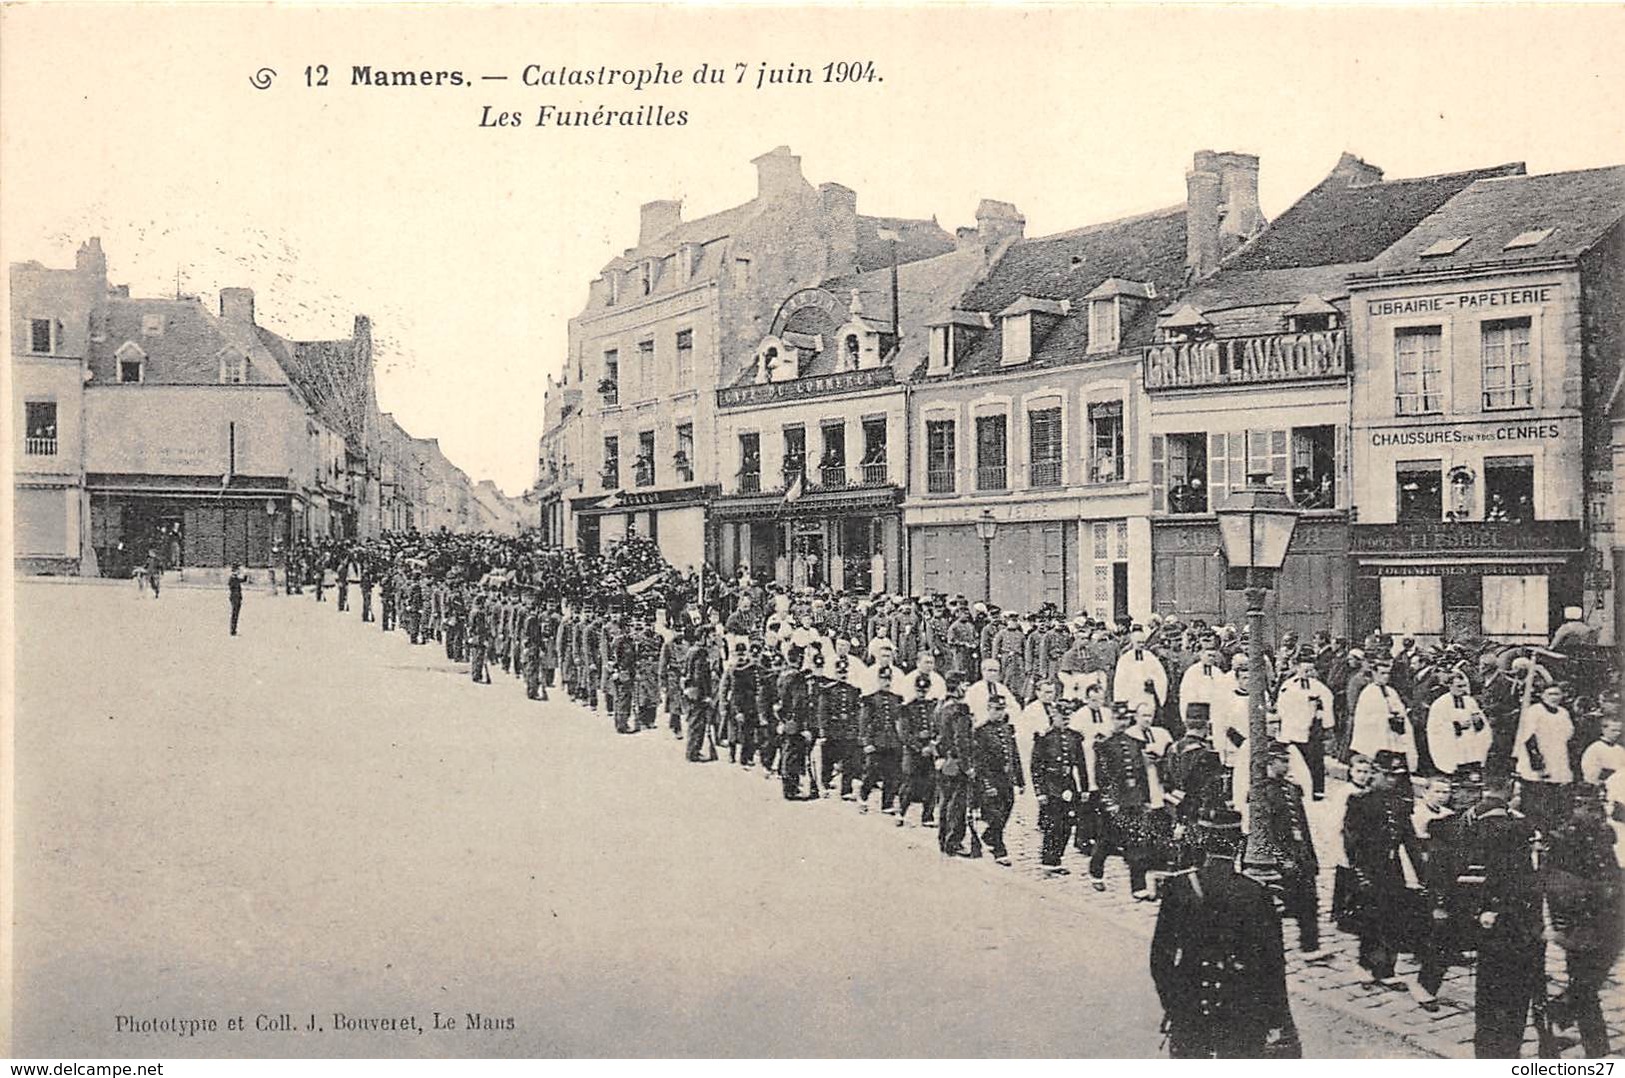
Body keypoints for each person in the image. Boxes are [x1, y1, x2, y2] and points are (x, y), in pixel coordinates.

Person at [1150, 806, 1298, 1058]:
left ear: (1202, 843)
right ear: (1239, 845)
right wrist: (1278, 1019)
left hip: (1192, 1008)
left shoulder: (1179, 887)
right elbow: (1272, 966)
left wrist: (1174, 1006)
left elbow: (1160, 960)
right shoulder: (1257, 893)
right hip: (1243, 1012)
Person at [1462, 771, 1544, 1058]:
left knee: (1488, 994)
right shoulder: (1515, 830)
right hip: (1515, 925)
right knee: (1512, 997)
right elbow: (1519, 881)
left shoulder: (1469, 818)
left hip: (1489, 922)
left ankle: (1487, 1053)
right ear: (1510, 791)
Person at [1255, 741, 1324, 959]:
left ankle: (1310, 946)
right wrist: (1278, 858)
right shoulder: (1263, 792)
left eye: (1287, 761)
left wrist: (1310, 856)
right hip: (1280, 858)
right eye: (1282, 761)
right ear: (1270, 763)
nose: (1286, 766)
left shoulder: (1292, 789)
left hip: (1299, 853)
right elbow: (1264, 833)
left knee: (1310, 899)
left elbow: (1302, 826)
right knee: (1276, 907)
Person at [1092, 705, 1154, 898]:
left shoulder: (1135, 743)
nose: (1123, 723)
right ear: (1112, 719)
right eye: (1119, 719)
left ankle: (1138, 887)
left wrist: (1146, 799)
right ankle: (1096, 872)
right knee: (1106, 841)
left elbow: (1142, 774)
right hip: (1115, 801)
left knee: (1137, 842)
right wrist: (1109, 802)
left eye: (1126, 719)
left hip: (1133, 799)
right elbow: (1102, 777)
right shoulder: (1104, 744)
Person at [1029, 687, 1086, 874]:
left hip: (1068, 784)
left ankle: (1058, 858)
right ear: (1054, 717)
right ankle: (1048, 860)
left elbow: (1081, 764)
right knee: (1053, 824)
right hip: (1051, 784)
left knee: (1067, 824)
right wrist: (1040, 792)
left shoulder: (1074, 737)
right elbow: (1036, 767)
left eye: (1068, 718)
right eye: (1063, 718)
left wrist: (1083, 788)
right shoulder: (1044, 738)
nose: (1065, 721)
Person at [1515, 683, 1575, 834]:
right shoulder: (1535, 711)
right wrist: (1538, 765)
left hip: (1558, 760)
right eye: (1550, 694)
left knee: (1553, 802)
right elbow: (1529, 738)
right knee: (1536, 802)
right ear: (1542, 695)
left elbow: (1568, 736)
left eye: (1557, 694)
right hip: (1538, 764)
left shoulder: (1563, 713)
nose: (1554, 698)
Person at [1275, 647, 1335, 799]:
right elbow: (1282, 708)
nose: (1308, 673)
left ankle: (1317, 791)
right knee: (1296, 763)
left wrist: (1325, 722)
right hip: (1293, 730)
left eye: (1310, 669)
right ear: (1297, 666)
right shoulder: (1288, 685)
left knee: (1315, 761)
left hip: (1311, 731)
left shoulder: (1317, 685)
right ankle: (1297, 791)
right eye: (1305, 668)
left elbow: (1327, 700)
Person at [971, 693, 1023, 866]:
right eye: (996, 710)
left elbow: (1014, 755)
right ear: (988, 709)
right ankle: (999, 849)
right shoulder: (981, 731)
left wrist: (1020, 780)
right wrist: (987, 784)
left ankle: (989, 836)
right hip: (991, 779)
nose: (999, 714)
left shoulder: (1008, 729)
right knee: (995, 815)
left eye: (1002, 710)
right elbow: (979, 761)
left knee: (1007, 808)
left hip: (1006, 779)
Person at [858, 665, 904, 814]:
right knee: (872, 772)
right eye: (884, 679)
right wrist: (867, 742)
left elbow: (899, 721)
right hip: (876, 741)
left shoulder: (896, 699)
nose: (887, 682)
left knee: (891, 774)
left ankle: (887, 803)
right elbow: (864, 722)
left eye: (889, 679)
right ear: (878, 680)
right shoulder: (871, 700)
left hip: (892, 742)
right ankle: (863, 796)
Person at [1428, 672, 1492, 778]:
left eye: (1464, 686)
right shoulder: (1440, 704)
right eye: (1459, 686)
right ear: (1450, 686)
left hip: (1470, 747)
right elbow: (1435, 727)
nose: (1462, 689)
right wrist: (1456, 726)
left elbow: (1481, 725)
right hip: (1453, 746)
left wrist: (1478, 721)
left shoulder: (1470, 701)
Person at [226, 563, 245, 636]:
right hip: (235, 598)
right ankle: (233, 630)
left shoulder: (235, 578)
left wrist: (245, 574)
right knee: (234, 614)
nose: (239, 572)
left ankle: (234, 629)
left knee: (236, 614)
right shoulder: (233, 579)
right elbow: (236, 584)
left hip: (237, 598)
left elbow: (243, 580)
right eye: (238, 570)